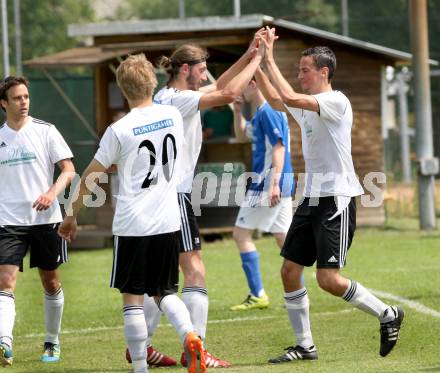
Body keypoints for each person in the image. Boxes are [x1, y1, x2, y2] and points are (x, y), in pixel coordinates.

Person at [255, 28, 404, 363]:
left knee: (328, 279)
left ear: (324, 72)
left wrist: (268, 57)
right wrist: (256, 64)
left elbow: (290, 98)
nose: (299, 75)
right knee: (289, 271)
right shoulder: (309, 107)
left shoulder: (336, 102)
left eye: (304, 70)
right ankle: (305, 346)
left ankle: (387, 314)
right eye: (298, 70)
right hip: (311, 198)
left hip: (336, 199)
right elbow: (278, 100)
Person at [58, 54, 206, 373]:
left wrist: (70, 215)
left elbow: (90, 177)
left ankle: (140, 367)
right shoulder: (172, 115)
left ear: (122, 89)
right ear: (152, 82)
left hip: (133, 225)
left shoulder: (119, 129)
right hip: (169, 220)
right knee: (164, 291)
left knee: (132, 298)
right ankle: (190, 334)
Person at [127, 40, 265, 368]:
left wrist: (248, 54)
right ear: (185, 70)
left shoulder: (166, 96)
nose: (205, 77)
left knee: (161, 277)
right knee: (195, 270)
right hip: (173, 196)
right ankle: (196, 349)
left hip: (159, 197)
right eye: (201, 71)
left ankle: (141, 347)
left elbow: (219, 85)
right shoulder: (179, 99)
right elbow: (229, 93)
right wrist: (258, 59)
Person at [0, 76, 75, 366]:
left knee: (51, 281)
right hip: (8, 221)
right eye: (17, 98)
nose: (23, 102)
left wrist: (50, 193)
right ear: (3, 103)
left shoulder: (46, 131)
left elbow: (68, 169)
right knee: (5, 281)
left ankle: (52, 341)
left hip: (46, 220)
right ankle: (5, 343)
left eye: (26, 97)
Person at [230, 80, 294, 310]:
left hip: (266, 183)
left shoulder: (268, 112)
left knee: (241, 235)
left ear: (255, 85)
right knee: (283, 240)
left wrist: (273, 184)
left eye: (244, 85)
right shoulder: (260, 114)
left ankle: (257, 294)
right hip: (276, 183)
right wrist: (238, 112)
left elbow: (279, 148)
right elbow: (241, 136)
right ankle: (297, 294)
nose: (239, 90)